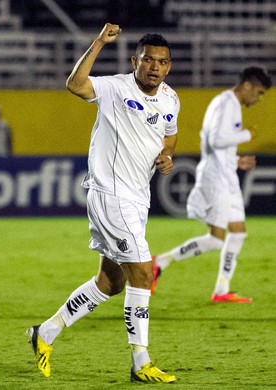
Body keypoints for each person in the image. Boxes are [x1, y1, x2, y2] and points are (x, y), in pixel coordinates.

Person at [26, 23, 179, 383]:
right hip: (111, 195)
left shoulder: (171, 98)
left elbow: (169, 136)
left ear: (169, 66)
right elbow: (75, 85)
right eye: (147, 60)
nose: (154, 67)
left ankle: (44, 333)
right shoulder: (114, 87)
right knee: (143, 271)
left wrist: (168, 157)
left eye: (161, 61)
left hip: (137, 199)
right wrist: (98, 42)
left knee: (110, 283)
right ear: (134, 61)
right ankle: (140, 360)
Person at [151, 66, 271, 303]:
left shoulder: (231, 105)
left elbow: (217, 144)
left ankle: (222, 290)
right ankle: (160, 262)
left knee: (237, 233)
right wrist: (246, 135)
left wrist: (237, 159)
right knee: (217, 239)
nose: (257, 99)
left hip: (227, 176)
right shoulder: (226, 104)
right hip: (216, 178)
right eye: (258, 93)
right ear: (247, 86)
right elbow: (216, 140)